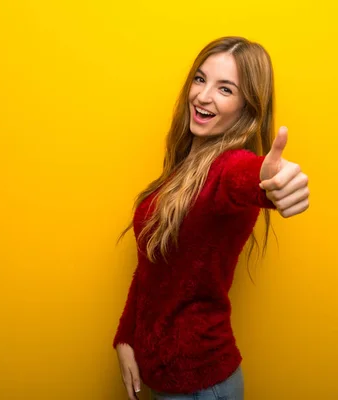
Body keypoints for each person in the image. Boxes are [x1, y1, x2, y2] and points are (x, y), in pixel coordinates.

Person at [113, 36, 310, 400]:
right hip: (170, 382)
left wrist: (277, 183)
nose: (203, 96)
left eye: (225, 89)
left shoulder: (230, 168)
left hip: (203, 388)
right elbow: (153, 265)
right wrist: (126, 337)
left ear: (247, 108)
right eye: (200, 79)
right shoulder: (184, 169)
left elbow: (250, 178)